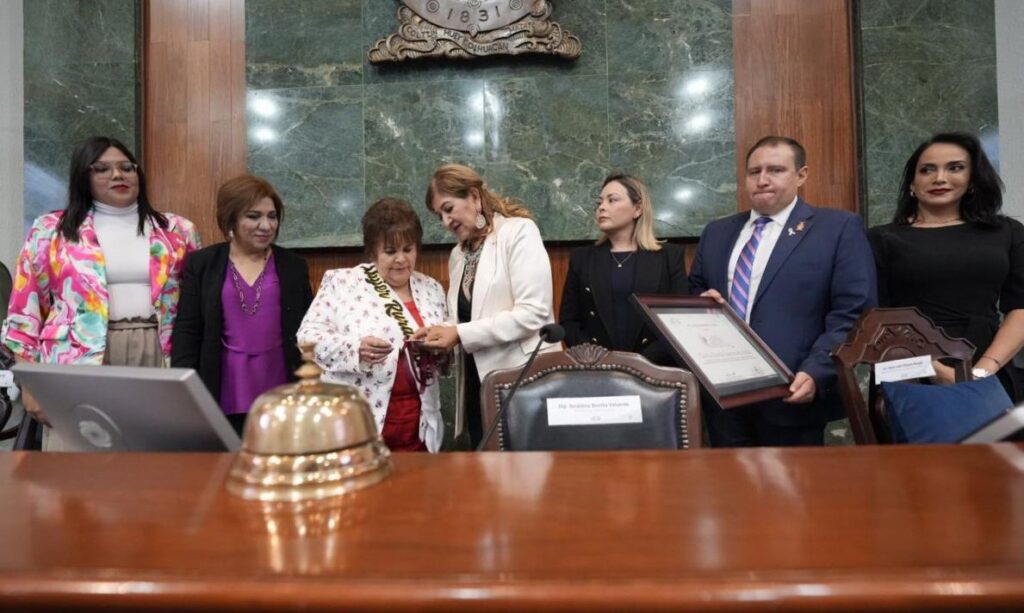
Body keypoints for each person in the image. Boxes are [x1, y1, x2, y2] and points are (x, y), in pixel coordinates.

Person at [3, 136, 200, 448]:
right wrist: (29, 383)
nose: (118, 175)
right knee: (80, 460)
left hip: (157, 351)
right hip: (78, 356)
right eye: (102, 169)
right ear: (84, 177)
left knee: (155, 459)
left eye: (126, 167)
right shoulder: (51, 229)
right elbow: (24, 312)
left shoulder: (177, 230)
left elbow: (195, 303)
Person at [689, 135, 877, 447]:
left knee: (794, 493)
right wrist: (700, 304)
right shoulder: (716, 232)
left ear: (801, 175)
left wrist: (818, 370)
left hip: (793, 393)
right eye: (754, 172)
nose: (762, 180)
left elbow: (854, 312)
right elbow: (696, 289)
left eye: (775, 170)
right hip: (723, 398)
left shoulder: (837, 228)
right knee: (730, 490)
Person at [868, 132, 1024, 400]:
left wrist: (980, 374)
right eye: (927, 170)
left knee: (997, 443)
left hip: (990, 366)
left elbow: (1020, 308)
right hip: (907, 372)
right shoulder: (879, 238)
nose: (939, 178)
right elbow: (873, 318)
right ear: (911, 185)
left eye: (955, 168)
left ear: (973, 180)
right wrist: (934, 371)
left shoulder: (1007, 232)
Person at [414, 164, 556, 449]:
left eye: (449, 208)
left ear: (475, 197)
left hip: (524, 382)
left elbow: (534, 313)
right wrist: (443, 344)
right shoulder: (457, 256)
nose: (445, 221)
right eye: (439, 215)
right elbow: (464, 322)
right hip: (478, 390)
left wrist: (459, 334)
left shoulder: (518, 232)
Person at [297, 198, 448, 452]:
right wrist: (355, 349)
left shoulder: (431, 288)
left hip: (418, 423)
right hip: (356, 423)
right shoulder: (342, 283)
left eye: (408, 249)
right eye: (390, 251)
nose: (401, 259)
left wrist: (440, 351)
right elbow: (307, 339)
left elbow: (446, 348)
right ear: (372, 251)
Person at [171, 175, 312, 435]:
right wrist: (184, 391)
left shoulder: (293, 265)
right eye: (253, 216)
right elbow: (187, 333)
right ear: (231, 218)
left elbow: (310, 329)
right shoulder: (202, 264)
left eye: (272, 216)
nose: (265, 225)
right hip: (223, 386)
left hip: (283, 386)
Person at [559, 174, 687, 365]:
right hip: (597, 369)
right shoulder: (582, 258)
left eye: (612, 200)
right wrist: (595, 359)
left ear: (637, 209)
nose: (602, 207)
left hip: (655, 370)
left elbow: (679, 321)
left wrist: (640, 363)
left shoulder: (669, 256)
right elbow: (569, 321)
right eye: (600, 202)